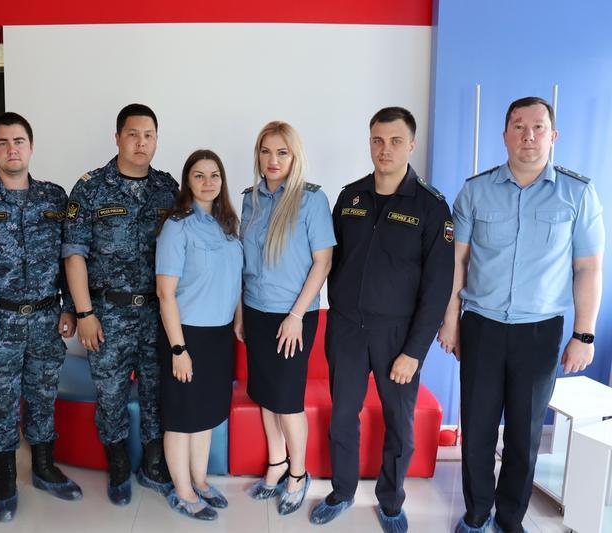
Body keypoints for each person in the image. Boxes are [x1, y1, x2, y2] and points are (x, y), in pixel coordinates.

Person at [438, 96, 604, 533]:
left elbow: (588, 268)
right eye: (518, 126)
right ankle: (476, 515)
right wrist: (450, 320)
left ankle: (510, 519)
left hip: (539, 331)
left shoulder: (577, 193)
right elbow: (457, 261)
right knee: (477, 428)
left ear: (553, 135)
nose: (528, 135)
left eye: (538, 127)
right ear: (505, 135)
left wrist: (583, 335)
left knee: (525, 434)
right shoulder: (476, 190)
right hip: (482, 326)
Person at [311, 107, 455, 532]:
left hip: (398, 335)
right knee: (343, 416)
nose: (385, 149)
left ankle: (391, 502)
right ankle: (341, 492)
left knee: (399, 424)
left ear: (411, 145)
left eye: (395, 141)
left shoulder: (431, 206)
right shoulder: (350, 197)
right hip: (346, 329)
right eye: (377, 140)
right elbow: (327, 259)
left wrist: (414, 351)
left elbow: (438, 288)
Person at [0, 112, 81, 522]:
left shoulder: (54, 198)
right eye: (3, 142)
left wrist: (70, 307)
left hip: (45, 319)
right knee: (3, 403)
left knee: (43, 396)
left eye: (18, 141)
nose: (12, 149)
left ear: (31, 146)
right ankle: (5, 479)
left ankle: (42, 468)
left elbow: (69, 258)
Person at [63, 103, 178, 505]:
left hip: (157, 313)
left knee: (156, 388)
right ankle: (117, 462)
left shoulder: (168, 189)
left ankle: (154, 462)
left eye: (148, 135)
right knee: (110, 392)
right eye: (132, 134)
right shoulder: (91, 188)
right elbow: (74, 254)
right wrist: (84, 313)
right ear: (117, 138)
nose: (141, 143)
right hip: (107, 314)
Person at [240, 121, 335, 515]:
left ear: (295, 156)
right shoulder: (250, 200)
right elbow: (243, 261)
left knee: (287, 400)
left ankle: (298, 473)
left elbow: (323, 261)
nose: (273, 160)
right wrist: (240, 312)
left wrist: (296, 315)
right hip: (255, 310)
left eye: (282, 152)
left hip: (293, 315)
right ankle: (276, 464)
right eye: (266, 151)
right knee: (265, 393)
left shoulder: (311, 200)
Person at [155, 149, 243, 520]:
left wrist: (238, 319)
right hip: (186, 335)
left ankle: (200, 480)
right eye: (199, 175)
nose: (208, 182)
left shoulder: (228, 226)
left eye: (214, 175)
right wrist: (179, 349)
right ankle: (183, 491)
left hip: (219, 337)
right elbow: (165, 293)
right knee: (182, 417)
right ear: (187, 182)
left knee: (205, 415)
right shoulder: (177, 226)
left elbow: (235, 279)